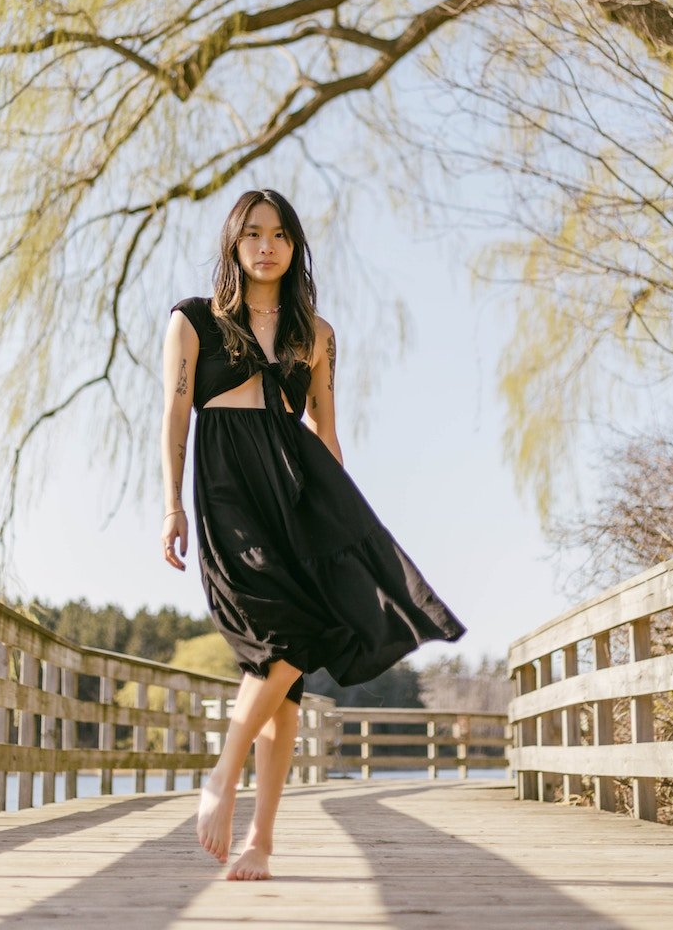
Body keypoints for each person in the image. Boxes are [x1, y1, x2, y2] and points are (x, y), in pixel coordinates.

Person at [160, 188, 466, 881]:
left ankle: (260, 840)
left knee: (290, 664)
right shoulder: (194, 320)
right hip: (229, 491)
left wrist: (342, 529)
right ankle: (224, 776)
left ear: (295, 246)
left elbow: (326, 433)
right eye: (252, 233)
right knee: (282, 635)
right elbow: (174, 417)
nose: (266, 245)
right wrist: (170, 506)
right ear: (233, 243)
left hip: (301, 494)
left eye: (279, 234)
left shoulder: (317, 335)